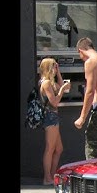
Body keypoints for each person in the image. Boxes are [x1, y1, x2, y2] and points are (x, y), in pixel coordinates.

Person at [38, 57, 71, 185]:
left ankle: (51, 175)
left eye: (56, 66)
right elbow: (55, 102)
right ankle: (47, 178)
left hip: (53, 117)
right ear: (47, 68)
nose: (55, 69)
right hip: (50, 117)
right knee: (50, 148)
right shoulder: (45, 83)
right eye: (53, 67)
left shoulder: (50, 82)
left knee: (58, 148)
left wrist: (58, 74)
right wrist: (62, 90)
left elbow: (62, 87)